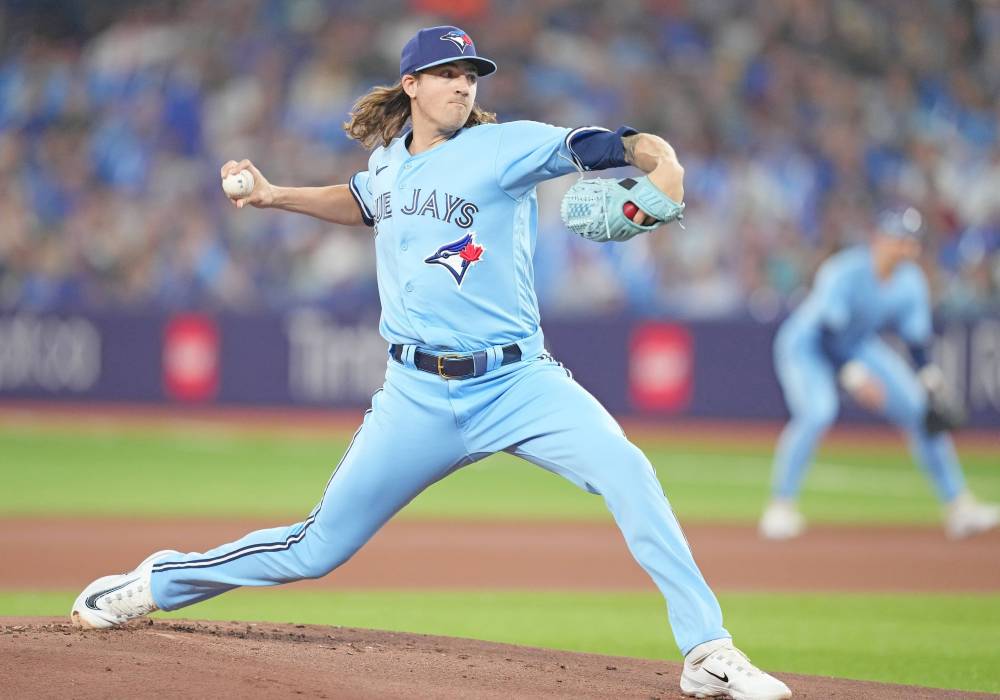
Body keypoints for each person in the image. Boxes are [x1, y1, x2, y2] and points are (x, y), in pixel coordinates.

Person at [72, 25, 791, 700]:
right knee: (314, 549)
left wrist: (664, 164)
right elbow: (361, 201)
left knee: (627, 470)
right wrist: (273, 195)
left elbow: (613, 144)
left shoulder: (506, 147)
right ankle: (160, 581)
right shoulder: (387, 165)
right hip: (416, 396)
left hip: (519, 381)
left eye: (471, 74)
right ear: (411, 83)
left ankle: (707, 651)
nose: (462, 85)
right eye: (447, 73)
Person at [760, 207, 999, 541]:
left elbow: (916, 340)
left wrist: (929, 377)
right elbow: (827, 333)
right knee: (817, 412)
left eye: (911, 241)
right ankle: (780, 506)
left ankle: (959, 506)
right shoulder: (844, 271)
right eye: (899, 239)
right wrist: (855, 377)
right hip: (807, 346)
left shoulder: (910, 281)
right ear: (879, 238)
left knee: (919, 410)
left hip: (857, 344)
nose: (905, 247)